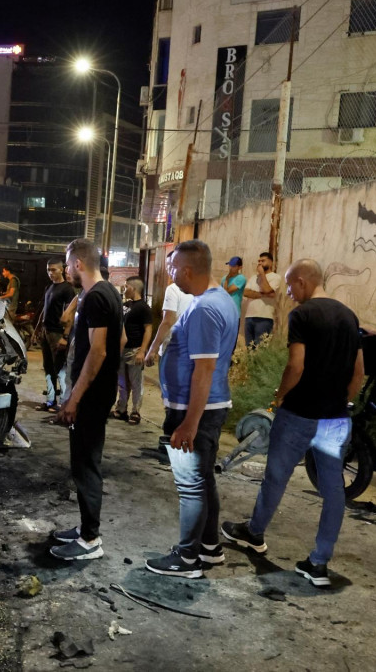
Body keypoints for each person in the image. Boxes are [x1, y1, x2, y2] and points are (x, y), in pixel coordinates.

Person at [222, 259, 364, 588]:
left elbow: (296, 365)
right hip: (336, 420)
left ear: (302, 281)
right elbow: (358, 372)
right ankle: (318, 563)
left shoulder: (302, 315)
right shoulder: (349, 316)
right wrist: (341, 402)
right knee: (333, 491)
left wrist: (280, 396)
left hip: (299, 414)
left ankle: (254, 533)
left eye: (289, 285)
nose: (287, 291)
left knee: (276, 477)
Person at [146, 240, 238, 579]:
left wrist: (189, 423)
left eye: (172, 269)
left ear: (186, 270)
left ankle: (187, 559)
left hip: (195, 410)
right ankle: (209, 548)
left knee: (191, 485)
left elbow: (205, 370)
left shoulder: (203, 309)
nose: (170, 275)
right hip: (206, 407)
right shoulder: (220, 300)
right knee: (203, 480)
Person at [50, 239, 122, 561]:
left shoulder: (95, 298)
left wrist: (73, 399)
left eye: (67, 265)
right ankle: (84, 530)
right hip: (99, 392)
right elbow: (118, 340)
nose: (66, 271)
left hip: (90, 397)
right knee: (85, 462)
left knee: (85, 465)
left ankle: (90, 540)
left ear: (78, 263)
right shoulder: (109, 293)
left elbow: (99, 350)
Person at [144, 250, 194, 367]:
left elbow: (168, 321)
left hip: (173, 348)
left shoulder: (174, 289)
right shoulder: (200, 288)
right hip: (192, 349)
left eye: (171, 266)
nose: (168, 270)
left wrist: (153, 349)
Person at [114, 276, 153, 424]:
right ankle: (121, 409)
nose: (124, 289)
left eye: (126, 286)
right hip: (122, 349)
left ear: (133, 288)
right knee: (122, 382)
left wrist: (142, 351)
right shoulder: (126, 305)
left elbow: (148, 329)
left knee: (136, 383)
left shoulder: (143, 307)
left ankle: (135, 411)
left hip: (135, 349)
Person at [37, 258, 75, 411]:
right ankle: (50, 400)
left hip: (58, 333)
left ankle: (63, 403)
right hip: (46, 331)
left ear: (62, 269)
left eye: (53, 270)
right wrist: (37, 330)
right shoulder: (49, 287)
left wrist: (65, 336)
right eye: (48, 270)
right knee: (48, 368)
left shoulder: (67, 289)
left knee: (60, 368)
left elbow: (70, 315)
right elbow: (44, 310)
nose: (50, 273)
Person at [243, 251, 282, 348]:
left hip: (264, 318)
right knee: (249, 349)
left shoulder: (275, 277)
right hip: (249, 317)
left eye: (263, 261)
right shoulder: (253, 278)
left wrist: (262, 274)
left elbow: (267, 289)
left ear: (271, 263)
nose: (260, 263)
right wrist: (265, 294)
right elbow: (246, 292)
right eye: (259, 261)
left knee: (260, 349)